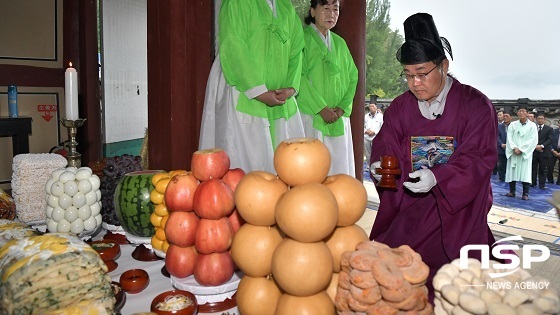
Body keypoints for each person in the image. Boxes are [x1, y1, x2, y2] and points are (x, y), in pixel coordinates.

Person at [368, 13, 498, 301]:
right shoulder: (401, 107)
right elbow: (386, 142)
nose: (414, 83)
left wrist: (438, 176)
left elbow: (479, 158)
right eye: (407, 74)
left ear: (444, 65)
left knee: (462, 288)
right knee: (394, 277)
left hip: (458, 211)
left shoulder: (475, 105)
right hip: (410, 206)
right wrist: (379, 166)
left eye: (422, 73)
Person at [198, 0, 305, 173]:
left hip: (279, 96)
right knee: (242, 167)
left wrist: (291, 87)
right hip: (242, 89)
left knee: (284, 166)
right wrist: (258, 90)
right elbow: (233, 44)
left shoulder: (286, 8)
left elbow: (296, 49)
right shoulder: (236, 3)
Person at [297, 0, 358, 176]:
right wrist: (321, 108)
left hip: (338, 118)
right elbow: (299, 77)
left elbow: (353, 76)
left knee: (339, 172)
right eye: (326, 8)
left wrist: (342, 108)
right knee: (312, 170)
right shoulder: (302, 38)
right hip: (312, 115)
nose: (331, 14)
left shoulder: (340, 44)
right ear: (313, 11)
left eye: (335, 9)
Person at [504, 105, 538, 200]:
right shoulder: (513, 124)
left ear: (527, 113)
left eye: (523, 111)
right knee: (512, 172)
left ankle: (525, 193)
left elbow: (533, 140)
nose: (521, 113)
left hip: (524, 154)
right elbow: (509, 138)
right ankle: (512, 191)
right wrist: (514, 148)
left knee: (525, 173)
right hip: (514, 152)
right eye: (519, 111)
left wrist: (522, 149)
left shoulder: (532, 126)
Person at [531, 112, 553, 189]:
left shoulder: (549, 129)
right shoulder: (532, 128)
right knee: (533, 168)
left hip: (544, 152)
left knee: (543, 169)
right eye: (538, 119)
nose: (540, 120)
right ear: (536, 119)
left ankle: (542, 185)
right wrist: (535, 146)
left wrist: (542, 146)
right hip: (534, 151)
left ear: (544, 119)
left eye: (541, 119)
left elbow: (550, 139)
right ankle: (532, 183)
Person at [364, 96, 384, 171]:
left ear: (376, 107)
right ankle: (368, 166)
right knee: (368, 154)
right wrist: (366, 131)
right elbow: (361, 125)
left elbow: (383, 127)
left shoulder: (381, 116)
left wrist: (374, 132)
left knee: (376, 153)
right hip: (366, 137)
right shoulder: (366, 116)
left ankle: (376, 166)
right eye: (370, 106)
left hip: (376, 137)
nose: (371, 108)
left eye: (373, 106)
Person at [497, 109, 512, 181]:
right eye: (504, 116)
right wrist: (501, 144)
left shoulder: (513, 126)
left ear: (510, 117)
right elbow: (496, 136)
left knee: (510, 164)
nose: (505, 117)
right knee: (501, 164)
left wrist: (510, 145)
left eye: (507, 116)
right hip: (501, 148)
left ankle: (509, 177)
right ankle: (501, 177)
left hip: (511, 148)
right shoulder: (499, 126)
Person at [549, 120, 560, 184]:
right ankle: (550, 180)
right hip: (553, 150)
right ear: (558, 124)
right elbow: (549, 142)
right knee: (549, 165)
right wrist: (553, 150)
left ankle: (559, 181)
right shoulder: (553, 131)